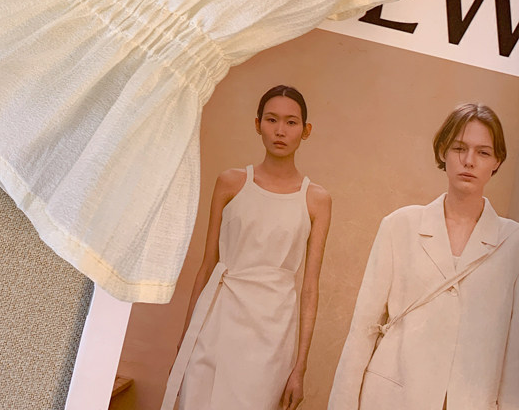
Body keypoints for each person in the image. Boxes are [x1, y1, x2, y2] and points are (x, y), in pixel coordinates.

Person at [328, 103, 519, 410]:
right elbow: (363, 328)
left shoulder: (512, 242)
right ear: (443, 151)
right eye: (459, 148)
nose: (469, 161)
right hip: (392, 398)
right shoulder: (399, 226)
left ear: (497, 160)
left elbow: (514, 354)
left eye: (483, 152)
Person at [160, 85, 332, 410]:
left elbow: (310, 288)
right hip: (217, 319)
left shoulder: (316, 200)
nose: (280, 130)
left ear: (306, 130)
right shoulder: (231, 183)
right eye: (271, 119)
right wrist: (184, 344)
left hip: (272, 331)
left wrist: (300, 368)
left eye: (291, 122)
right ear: (257, 124)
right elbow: (207, 265)